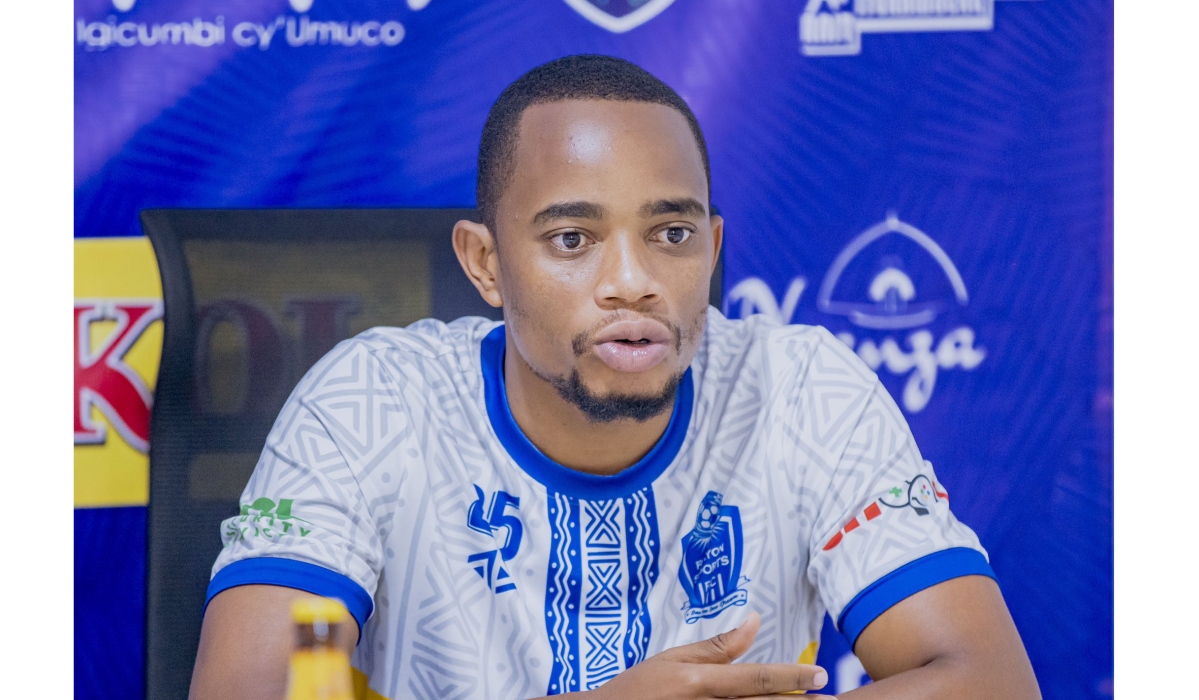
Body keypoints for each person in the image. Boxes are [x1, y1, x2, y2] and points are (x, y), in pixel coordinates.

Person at [190, 55, 1040, 700]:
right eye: (572, 239)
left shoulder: (802, 386)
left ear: (710, 249)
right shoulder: (371, 399)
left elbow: (988, 680)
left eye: (670, 234)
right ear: (485, 265)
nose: (631, 280)